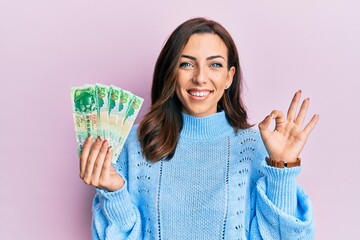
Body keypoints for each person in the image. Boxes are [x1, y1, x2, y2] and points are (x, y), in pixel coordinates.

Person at [79, 17, 319, 239]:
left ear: (229, 77)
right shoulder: (133, 143)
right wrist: (115, 193)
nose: (200, 78)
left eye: (215, 64)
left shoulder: (256, 148)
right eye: (186, 64)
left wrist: (283, 169)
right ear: (171, 72)